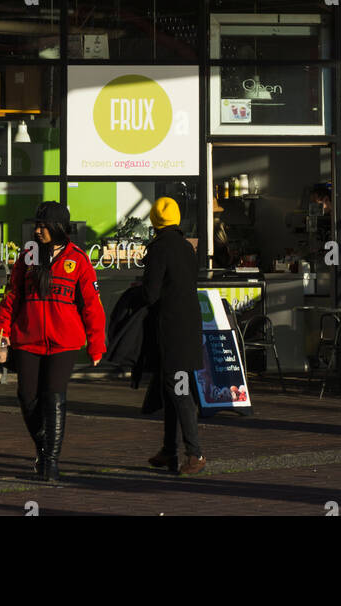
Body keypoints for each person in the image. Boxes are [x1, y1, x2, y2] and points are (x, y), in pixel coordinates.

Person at [0, 201, 106, 483]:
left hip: (64, 341)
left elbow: (92, 305)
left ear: (58, 228)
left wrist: (96, 344)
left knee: (54, 397)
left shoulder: (78, 259)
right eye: (37, 225)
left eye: (43, 226)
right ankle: (44, 449)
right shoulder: (28, 257)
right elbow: (12, 296)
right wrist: (1, 328)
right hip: (27, 339)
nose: (38, 230)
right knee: (27, 396)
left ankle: (51, 464)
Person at [141, 196, 206, 477]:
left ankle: (196, 453)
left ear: (155, 221)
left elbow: (151, 294)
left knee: (179, 393)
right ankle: (169, 450)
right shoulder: (186, 248)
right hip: (189, 330)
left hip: (171, 333)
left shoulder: (159, 249)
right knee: (172, 392)